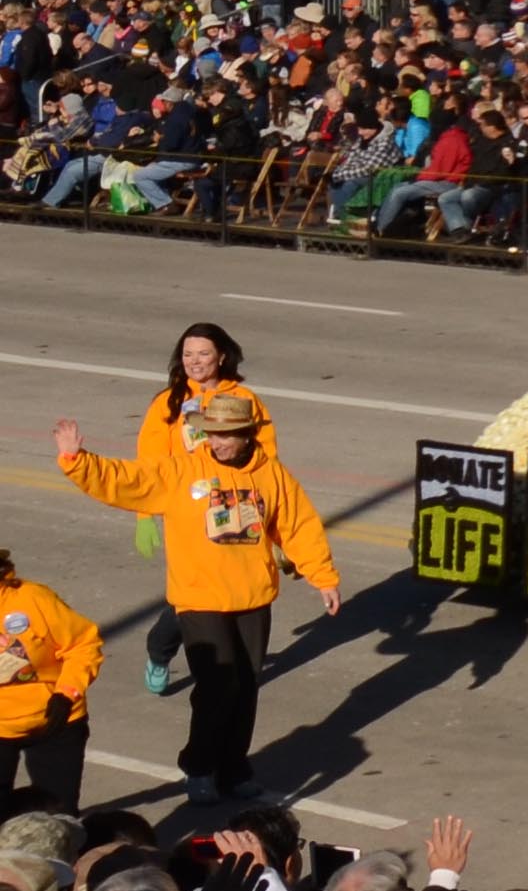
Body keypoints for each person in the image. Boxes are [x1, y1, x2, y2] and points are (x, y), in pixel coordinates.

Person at [56, 387, 336, 799]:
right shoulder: (182, 471)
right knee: (217, 686)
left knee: (245, 687)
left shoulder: (271, 473)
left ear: (248, 434)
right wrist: (79, 463)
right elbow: (129, 481)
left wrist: (323, 577)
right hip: (199, 599)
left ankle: (234, 769)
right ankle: (200, 767)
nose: (218, 442)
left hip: (252, 597)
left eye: (227, 435)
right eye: (212, 434)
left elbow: (298, 526)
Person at [132, 322, 276, 696]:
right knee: (193, 595)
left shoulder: (244, 399)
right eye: (187, 354)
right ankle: (160, 650)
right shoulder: (169, 403)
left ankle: (232, 671)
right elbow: (150, 464)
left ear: (222, 356)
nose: (195, 361)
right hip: (187, 510)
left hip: (237, 507)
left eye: (204, 354)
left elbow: (268, 459)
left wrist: (274, 520)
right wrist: (145, 515)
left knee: (228, 590)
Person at [0, 548, 102, 814]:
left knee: (59, 819)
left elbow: (83, 645)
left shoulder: (33, 599)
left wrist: (66, 694)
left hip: (55, 720)